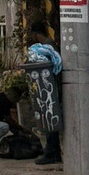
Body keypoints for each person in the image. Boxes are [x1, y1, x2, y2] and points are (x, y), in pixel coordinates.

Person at [28, 21, 62, 166]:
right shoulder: (48, 45)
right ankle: (53, 151)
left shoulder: (47, 47)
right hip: (50, 88)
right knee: (49, 119)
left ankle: (51, 152)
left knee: (50, 119)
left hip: (50, 88)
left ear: (35, 34)